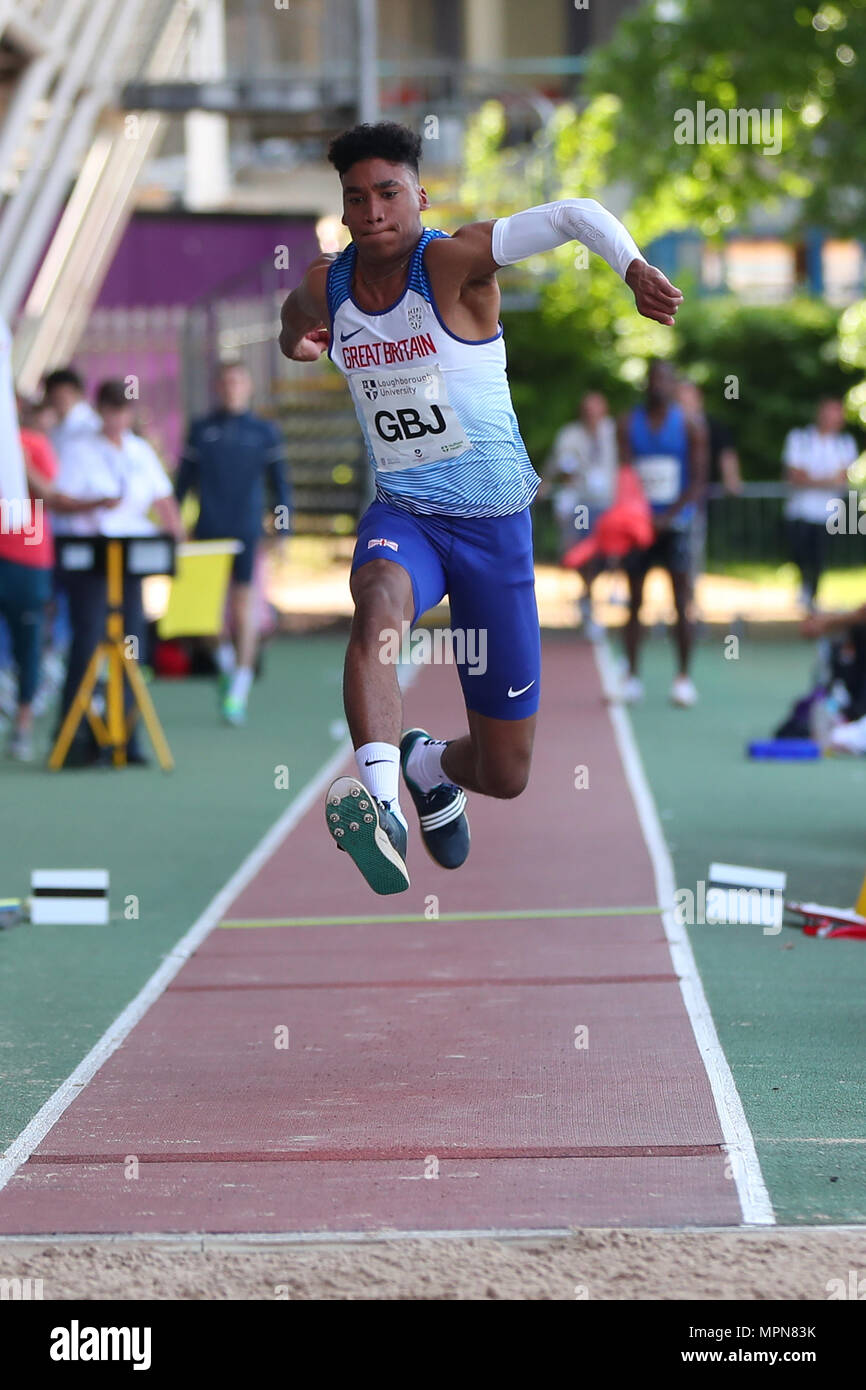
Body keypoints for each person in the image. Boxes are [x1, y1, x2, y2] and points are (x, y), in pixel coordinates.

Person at [277, 120, 682, 895]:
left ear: (418, 196)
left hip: (495, 531)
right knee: (379, 608)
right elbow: (292, 326)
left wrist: (629, 266)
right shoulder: (326, 284)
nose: (372, 212)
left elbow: (571, 212)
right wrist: (299, 345)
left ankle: (429, 767)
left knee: (506, 770)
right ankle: (382, 805)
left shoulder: (456, 263)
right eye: (355, 198)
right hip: (407, 518)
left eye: (388, 193)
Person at [54, 379, 184, 766]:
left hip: (130, 557)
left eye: (122, 409)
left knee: (133, 642)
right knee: (89, 639)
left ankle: (126, 734)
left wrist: (176, 537)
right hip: (91, 558)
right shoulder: (77, 449)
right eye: (110, 409)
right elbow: (59, 499)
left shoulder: (139, 450)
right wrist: (96, 503)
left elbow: (163, 499)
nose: (116, 418)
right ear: (100, 411)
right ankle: (75, 734)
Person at [174, 359, 292, 726]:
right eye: (224, 382)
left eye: (237, 382)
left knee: (244, 608)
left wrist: (283, 531)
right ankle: (226, 665)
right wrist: (174, 527)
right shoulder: (201, 429)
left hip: (245, 532)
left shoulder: (264, 432)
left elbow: (281, 487)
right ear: (217, 387)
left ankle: (239, 687)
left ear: (248, 387)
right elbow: (180, 485)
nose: (230, 388)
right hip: (206, 531)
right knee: (204, 617)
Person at [0, 402, 116, 761]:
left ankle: (22, 726)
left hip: (25, 559)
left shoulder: (30, 445)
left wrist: (95, 503)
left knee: (28, 642)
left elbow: (50, 495)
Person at [617, 360, 708, 707]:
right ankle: (632, 677)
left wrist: (669, 517)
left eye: (665, 380)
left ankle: (683, 678)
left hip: (677, 525)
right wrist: (639, 515)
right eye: (653, 379)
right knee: (634, 600)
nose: (658, 385)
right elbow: (626, 475)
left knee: (680, 602)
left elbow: (699, 481)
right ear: (646, 384)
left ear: (673, 385)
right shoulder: (628, 423)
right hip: (639, 524)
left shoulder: (690, 425)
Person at [544, 391, 617, 639]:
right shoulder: (570, 434)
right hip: (582, 505)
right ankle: (588, 599)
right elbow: (561, 465)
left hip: (609, 504)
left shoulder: (613, 432)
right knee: (583, 552)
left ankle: (602, 591)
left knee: (610, 553)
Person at [784, 398, 858, 612]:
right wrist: (826, 481)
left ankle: (811, 596)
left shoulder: (844, 443)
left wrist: (812, 479)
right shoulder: (800, 438)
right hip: (799, 509)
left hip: (827, 513)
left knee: (817, 555)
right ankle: (805, 587)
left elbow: (841, 478)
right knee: (798, 551)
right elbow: (795, 475)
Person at [677, 379, 741, 581]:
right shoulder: (670, 429)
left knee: (692, 548)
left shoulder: (714, 427)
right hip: (672, 498)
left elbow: (727, 455)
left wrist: (731, 479)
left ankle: (690, 593)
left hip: (696, 501)